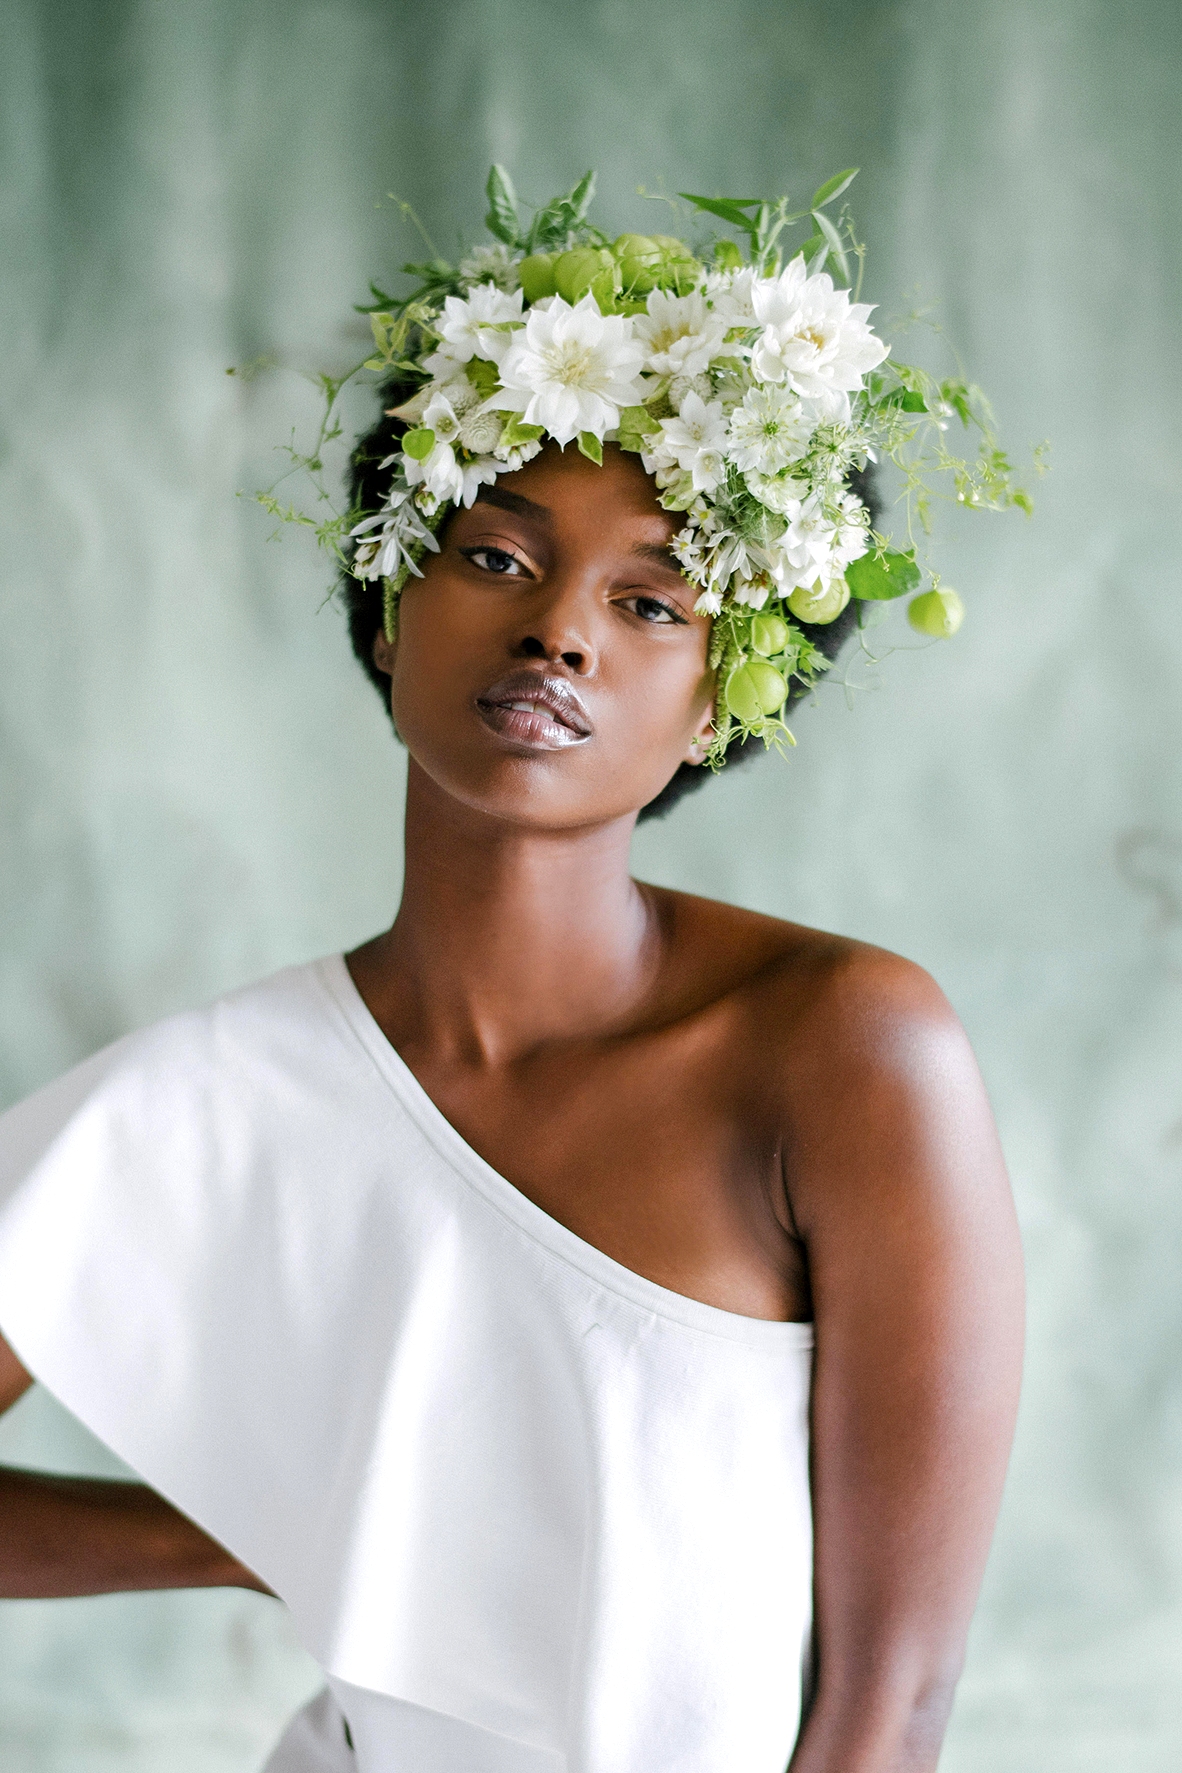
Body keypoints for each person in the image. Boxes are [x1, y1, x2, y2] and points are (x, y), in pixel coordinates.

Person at [0, 173, 1025, 1773]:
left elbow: (890, 1703)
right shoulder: (211, 1093)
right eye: (491, 556)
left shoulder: (842, 1050)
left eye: (649, 601)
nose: (560, 635)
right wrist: (252, 1527)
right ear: (389, 607)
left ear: (716, 706)